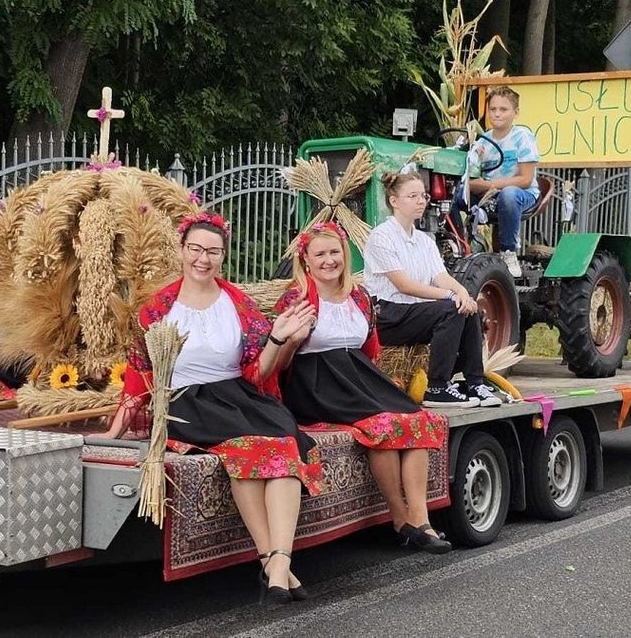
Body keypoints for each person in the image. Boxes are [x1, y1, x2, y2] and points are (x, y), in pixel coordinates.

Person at [96, 211, 323, 605]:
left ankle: (276, 564)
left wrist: (277, 339)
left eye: (213, 252)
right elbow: (141, 376)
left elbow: (258, 372)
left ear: (223, 256)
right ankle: (278, 569)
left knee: (282, 447)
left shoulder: (239, 303)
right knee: (253, 452)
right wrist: (115, 432)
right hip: (189, 404)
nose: (204, 259)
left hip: (238, 397)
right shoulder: (157, 308)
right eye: (196, 249)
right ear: (182, 250)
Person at [273, 222, 451, 553]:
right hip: (317, 382)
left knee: (417, 418)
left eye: (335, 252)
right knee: (381, 425)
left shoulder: (358, 296)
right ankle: (400, 520)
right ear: (306, 260)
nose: (329, 260)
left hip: (357, 376)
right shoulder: (296, 298)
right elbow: (279, 364)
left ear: (345, 255)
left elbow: (370, 349)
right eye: (320, 254)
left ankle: (421, 519)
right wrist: (293, 340)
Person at [364, 168, 502, 409]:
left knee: (464, 307)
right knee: (451, 308)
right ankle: (436, 388)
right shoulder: (381, 237)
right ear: (393, 201)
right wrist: (450, 297)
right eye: (413, 196)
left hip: (413, 314)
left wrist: (462, 293)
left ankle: (475, 382)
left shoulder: (425, 241)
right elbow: (404, 285)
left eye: (424, 196)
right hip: (386, 315)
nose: (421, 201)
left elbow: (440, 277)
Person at [452, 85, 541, 278]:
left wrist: (488, 185)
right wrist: (472, 183)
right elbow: (473, 174)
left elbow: (525, 180)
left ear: (515, 112)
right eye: (493, 109)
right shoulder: (483, 140)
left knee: (508, 194)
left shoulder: (522, 137)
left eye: (503, 109)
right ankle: (457, 246)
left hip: (520, 194)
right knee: (453, 195)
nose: (497, 114)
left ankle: (508, 252)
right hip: (488, 195)